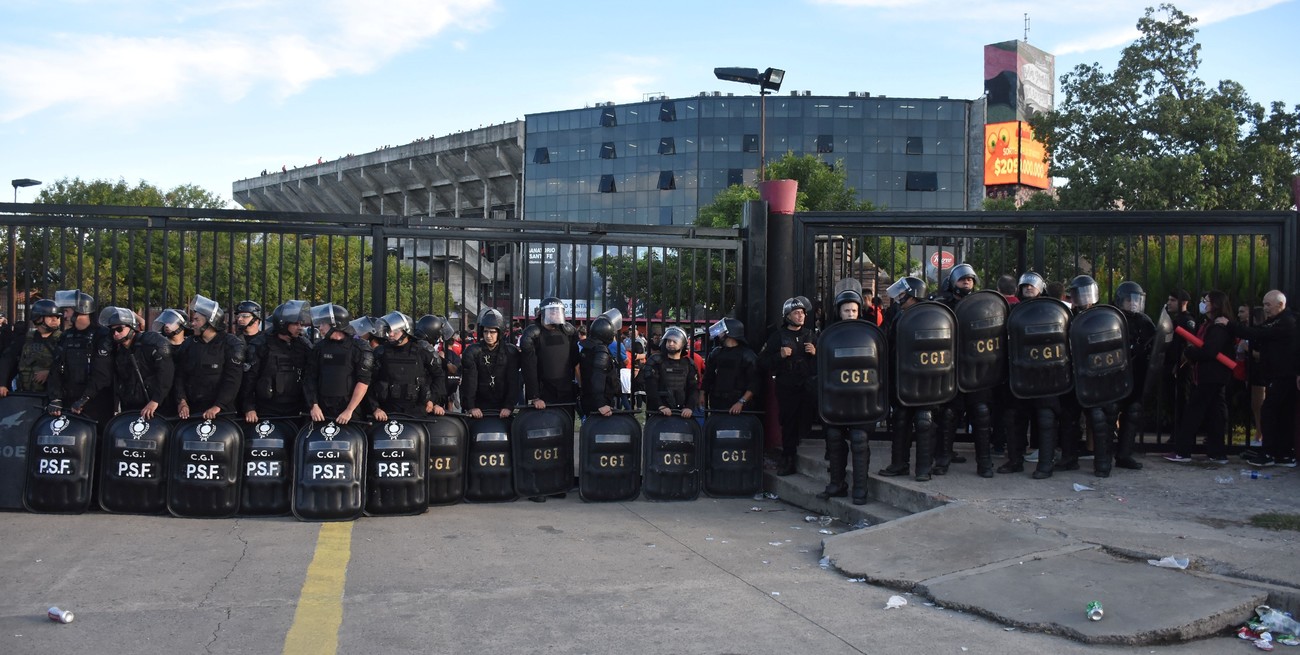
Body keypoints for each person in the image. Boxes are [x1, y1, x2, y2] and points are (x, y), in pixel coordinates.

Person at [1219, 290, 1296, 467]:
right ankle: (1283, 453)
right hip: (1277, 374)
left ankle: (1269, 452)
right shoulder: (1276, 321)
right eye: (1264, 304)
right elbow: (1257, 331)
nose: (1265, 308)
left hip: (1284, 375)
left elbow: (1258, 334)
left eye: (1268, 304)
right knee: (1281, 413)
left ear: (1280, 304)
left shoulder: (1286, 322)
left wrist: (1229, 325)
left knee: (1270, 411)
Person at [877, 277, 939, 481]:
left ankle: (924, 469)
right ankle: (899, 464)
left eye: (903, 294)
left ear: (914, 295)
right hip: (903, 378)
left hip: (926, 379)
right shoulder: (899, 315)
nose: (899, 298)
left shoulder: (931, 315)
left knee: (924, 422)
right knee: (901, 420)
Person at [817, 288, 875, 503]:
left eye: (853, 310)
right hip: (837, 398)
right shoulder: (829, 335)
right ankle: (837, 484)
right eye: (846, 310)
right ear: (838, 312)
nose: (850, 314)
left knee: (859, 439)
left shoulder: (870, 333)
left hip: (862, 398)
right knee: (834, 437)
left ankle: (861, 489)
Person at [1165, 290, 1234, 463]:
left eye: (1206, 301)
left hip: (1212, 376)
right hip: (1210, 375)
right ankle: (1217, 452)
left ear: (1216, 304)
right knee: (1215, 414)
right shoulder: (1210, 324)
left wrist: (1190, 352)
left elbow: (1210, 350)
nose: (1203, 303)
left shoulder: (1218, 327)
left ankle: (1183, 451)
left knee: (1193, 413)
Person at [759, 296, 817, 476]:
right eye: (796, 313)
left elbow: (825, 361)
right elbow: (762, 362)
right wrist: (780, 356)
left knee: (807, 419)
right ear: (787, 316)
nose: (800, 316)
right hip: (787, 386)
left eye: (802, 313)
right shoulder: (778, 336)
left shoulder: (811, 335)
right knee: (789, 423)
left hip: (807, 385)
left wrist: (816, 353)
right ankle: (788, 459)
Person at [46, 290, 114, 425]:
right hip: (68, 401)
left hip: (96, 402)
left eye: (67, 311)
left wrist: (85, 399)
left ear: (81, 310)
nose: (64, 315)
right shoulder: (66, 336)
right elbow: (56, 369)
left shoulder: (102, 335)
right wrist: (56, 398)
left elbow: (102, 374)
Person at [174, 295, 245, 420]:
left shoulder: (231, 344)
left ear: (210, 321)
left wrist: (218, 406)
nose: (193, 323)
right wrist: (182, 401)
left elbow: (232, 380)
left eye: (197, 320)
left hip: (221, 413)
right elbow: (179, 375)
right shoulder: (189, 344)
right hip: (192, 411)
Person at [241, 300, 312, 423]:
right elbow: (249, 379)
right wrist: (249, 407)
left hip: (296, 408)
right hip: (267, 409)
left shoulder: (303, 344)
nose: (300, 327)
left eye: (301, 323)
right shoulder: (260, 344)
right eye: (295, 323)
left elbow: (312, 374)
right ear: (283, 324)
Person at [98, 306, 174, 419]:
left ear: (132, 327)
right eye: (112, 330)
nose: (115, 333)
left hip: (155, 407)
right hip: (129, 407)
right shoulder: (118, 351)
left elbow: (166, 373)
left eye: (119, 329)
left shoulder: (149, 343)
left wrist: (155, 400)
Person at [369, 311, 446, 421]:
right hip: (387, 412)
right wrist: (375, 408)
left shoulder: (423, 351)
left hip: (417, 410)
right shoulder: (381, 352)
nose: (390, 334)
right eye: (389, 330)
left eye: (395, 331)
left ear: (406, 331)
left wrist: (432, 400)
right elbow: (369, 381)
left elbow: (439, 376)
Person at [1112, 281, 1156, 471]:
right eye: (1129, 300)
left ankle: (1124, 455)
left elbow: (1155, 343)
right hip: (1116, 374)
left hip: (1138, 373)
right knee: (1109, 413)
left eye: (1137, 300)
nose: (1134, 303)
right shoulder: (1113, 317)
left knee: (1133, 412)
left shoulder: (1145, 320)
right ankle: (1104, 455)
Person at [304, 303, 373, 424]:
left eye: (323, 324)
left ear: (335, 324)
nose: (320, 328)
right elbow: (310, 378)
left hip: (349, 413)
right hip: (322, 412)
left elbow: (363, 381)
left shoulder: (358, 348)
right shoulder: (319, 348)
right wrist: (313, 405)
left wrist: (349, 410)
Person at [519, 298, 581, 412]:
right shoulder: (534, 334)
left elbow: (576, 363)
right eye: (552, 311)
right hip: (543, 393)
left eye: (558, 311)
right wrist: (535, 397)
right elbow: (529, 367)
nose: (556, 314)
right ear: (543, 313)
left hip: (566, 391)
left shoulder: (568, 333)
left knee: (566, 425)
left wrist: (581, 388)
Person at [461, 309, 520, 420]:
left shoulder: (510, 352)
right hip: (479, 406)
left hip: (503, 406)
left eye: (492, 332)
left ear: (499, 332)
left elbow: (513, 381)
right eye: (486, 331)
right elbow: (469, 381)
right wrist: (471, 407)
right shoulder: (473, 351)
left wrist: (509, 406)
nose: (488, 335)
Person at [0, 298, 62, 397]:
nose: (55, 319)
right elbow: (7, 359)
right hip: (24, 395)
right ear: (38, 318)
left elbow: (69, 366)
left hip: (50, 398)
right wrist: (2, 384)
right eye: (50, 316)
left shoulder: (63, 340)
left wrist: (50, 373)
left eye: (57, 317)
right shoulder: (25, 339)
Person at [701, 318, 760, 414]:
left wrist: (741, 402)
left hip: (738, 403)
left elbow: (754, 383)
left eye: (721, 331)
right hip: (717, 402)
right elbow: (708, 376)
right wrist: (702, 393)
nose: (719, 333)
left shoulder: (747, 355)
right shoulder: (716, 353)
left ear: (730, 333)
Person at [641, 326, 697, 419]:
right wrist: (660, 406)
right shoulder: (656, 362)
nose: (670, 343)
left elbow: (693, 388)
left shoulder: (688, 364)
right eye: (668, 341)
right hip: (659, 413)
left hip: (682, 413)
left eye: (675, 341)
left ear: (682, 344)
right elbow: (650, 387)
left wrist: (689, 407)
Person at [1161, 288, 1196, 429]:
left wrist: (1179, 365)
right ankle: (1176, 433)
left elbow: (1190, 345)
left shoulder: (1187, 321)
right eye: (1169, 299)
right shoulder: (1175, 319)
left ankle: (1182, 433)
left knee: (1181, 401)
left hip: (1181, 368)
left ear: (1184, 302)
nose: (1169, 303)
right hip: (1171, 366)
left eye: (1173, 300)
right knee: (1173, 402)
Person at [580, 309, 624, 417]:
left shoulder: (588, 347)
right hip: (601, 404)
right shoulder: (601, 351)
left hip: (589, 399)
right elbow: (598, 377)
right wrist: (601, 403)